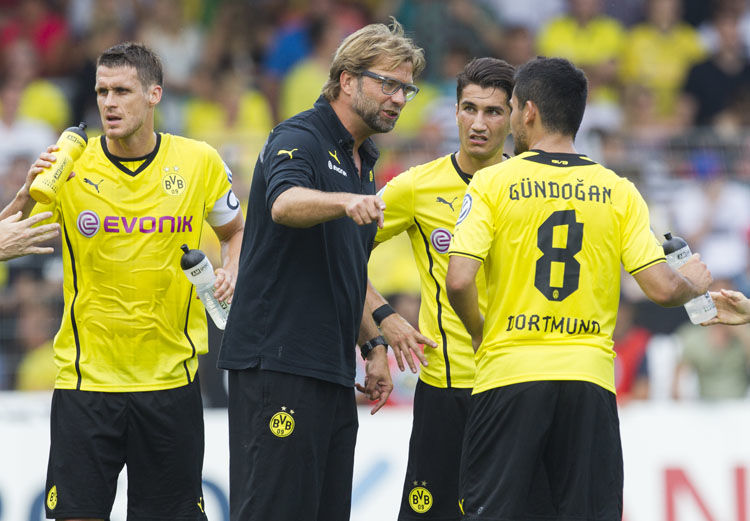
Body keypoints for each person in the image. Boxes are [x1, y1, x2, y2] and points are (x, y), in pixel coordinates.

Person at [445, 56, 713, 521]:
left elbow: (460, 278)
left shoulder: (492, 182)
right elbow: (661, 288)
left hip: (509, 374)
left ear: (527, 111)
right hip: (588, 378)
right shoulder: (618, 190)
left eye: (508, 109)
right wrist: (694, 286)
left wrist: (478, 333)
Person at [19, 42, 244, 520]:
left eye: (122, 90)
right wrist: (23, 195)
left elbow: (236, 229)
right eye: (101, 91)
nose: (108, 103)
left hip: (171, 382)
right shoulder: (70, 165)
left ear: (154, 94)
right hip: (87, 382)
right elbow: (11, 233)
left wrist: (232, 268)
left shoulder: (199, 161)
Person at [217, 19, 424, 521]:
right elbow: (284, 202)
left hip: (330, 369)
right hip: (278, 364)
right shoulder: (299, 136)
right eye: (388, 83)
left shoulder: (362, 158)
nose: (398, 98)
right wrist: (345, 199)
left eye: (407, 89)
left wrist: (372, 343)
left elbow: (343, 269)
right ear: (346, 80)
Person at [365, 57, 515, 520]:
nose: (478, 123)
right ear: (454, 112)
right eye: (469, 108)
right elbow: (338, 253)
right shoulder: (416, 187)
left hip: (516, 385)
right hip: (447, 388)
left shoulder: (530, 188)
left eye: (493, 112)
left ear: (515, 116)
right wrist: (381, 319)